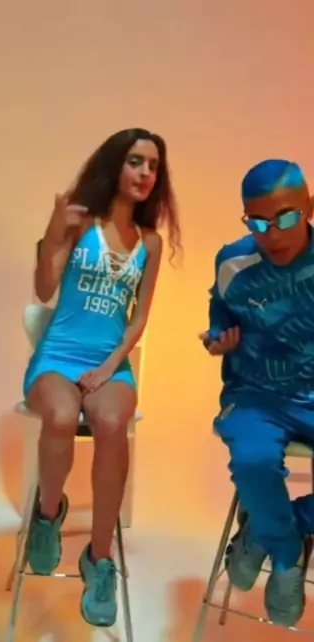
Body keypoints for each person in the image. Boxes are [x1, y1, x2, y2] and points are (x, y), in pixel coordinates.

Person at [23, 128, 181, 627]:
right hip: (58, 356)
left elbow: (139, 318)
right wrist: (54, 232)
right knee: (61, 414)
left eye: (153, 166)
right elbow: (43, 288)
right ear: (115, 165)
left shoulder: (150, 243)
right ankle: (48, 515)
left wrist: (111, 366)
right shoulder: (81, 223)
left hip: (110, 363)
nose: (145, 173)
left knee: (112, 423)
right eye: (135, 161)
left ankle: (99, 558)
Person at [200, 159, 314, 628]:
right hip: (255, 394)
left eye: (285, 218)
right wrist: (217, 339)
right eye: (259, 223)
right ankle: (286, 558)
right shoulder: (234, 262)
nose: (273, 234)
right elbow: (220, 316)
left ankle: (265, 531)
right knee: (252, 460)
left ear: (309, 208)